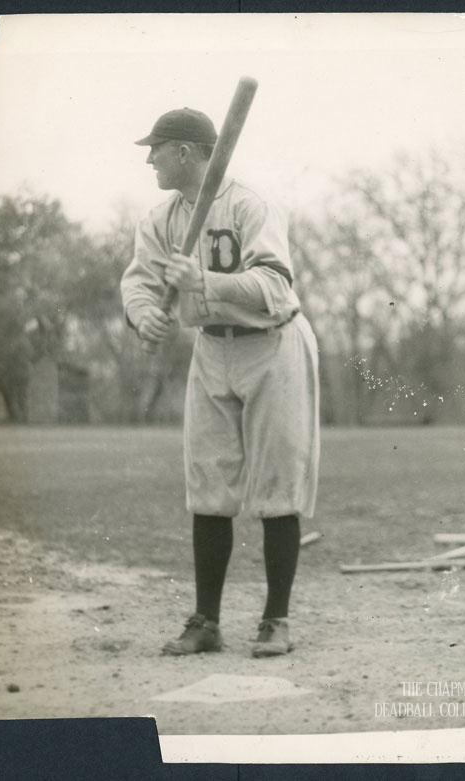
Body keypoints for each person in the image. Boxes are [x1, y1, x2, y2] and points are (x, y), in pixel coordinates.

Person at [120, 107, 320, 658]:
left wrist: (205, 281)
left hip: (273, 344)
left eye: (155, 148)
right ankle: (206, 621)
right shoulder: (161, 219)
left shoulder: (251, 204)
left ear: (185, 152)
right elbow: (138, 281)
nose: (149, 159)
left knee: (278, 486)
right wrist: (144, 315)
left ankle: (275, 620)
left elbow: (276, 288)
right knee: (208, 488)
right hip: (211, 349)